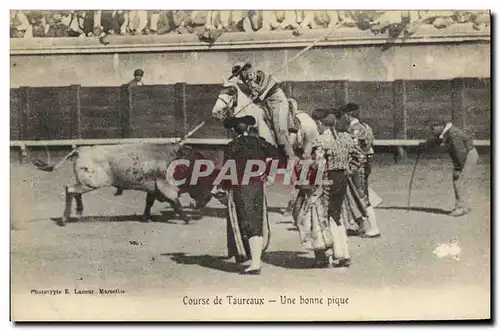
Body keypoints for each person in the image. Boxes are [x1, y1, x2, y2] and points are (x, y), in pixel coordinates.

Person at [293, 108, 359, 268]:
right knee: (336, 215)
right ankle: (344, 254)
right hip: (342, 180)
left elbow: (318, 164)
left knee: (320, 217)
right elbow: (360, 157)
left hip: (325, 182)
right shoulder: (345, 137)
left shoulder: (320, 141)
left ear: (319, 123)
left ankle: (327, 256)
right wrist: (348, 170)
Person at [220, 115, 280, 275]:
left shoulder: (232, 146)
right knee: (257, 220)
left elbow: (227, 170)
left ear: (233, 131)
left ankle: (254, 264)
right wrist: (270, 174)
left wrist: (222, 188)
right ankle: (255, 261)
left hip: (241, 186)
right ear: (248, 128)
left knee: (247, 221)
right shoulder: (259, 141)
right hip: (258, 185)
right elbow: (276, 154)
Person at [228, 61, 296, 163]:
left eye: (239, 74)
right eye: (237, 75)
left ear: (244, 71)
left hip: (276, 101)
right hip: (265, 104)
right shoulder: (247, 80)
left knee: (280, 132)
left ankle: (290, 157)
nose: (239, 77)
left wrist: (254, 95)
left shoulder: (254, 75)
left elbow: (259, 93)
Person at [418, 118, 478, 217]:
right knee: (460, 180)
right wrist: (425, 145)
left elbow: (460, 152)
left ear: (440, 126)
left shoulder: (453, 134)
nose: (432, 131)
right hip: (468, 154)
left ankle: (460, 208)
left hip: (467, 156)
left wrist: (459, 167)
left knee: (458, 179)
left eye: (433, 128)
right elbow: (437, 140)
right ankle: (465, 206)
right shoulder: (447, 131)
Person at [340, 103, 381, 238]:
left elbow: (355, 150)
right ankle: (361, 226)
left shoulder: (354, 129)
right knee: (358, 195)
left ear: (347, 115)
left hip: (357, 167)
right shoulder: (366, 126)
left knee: (361, 196)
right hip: (363, 165)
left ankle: (374, 228)